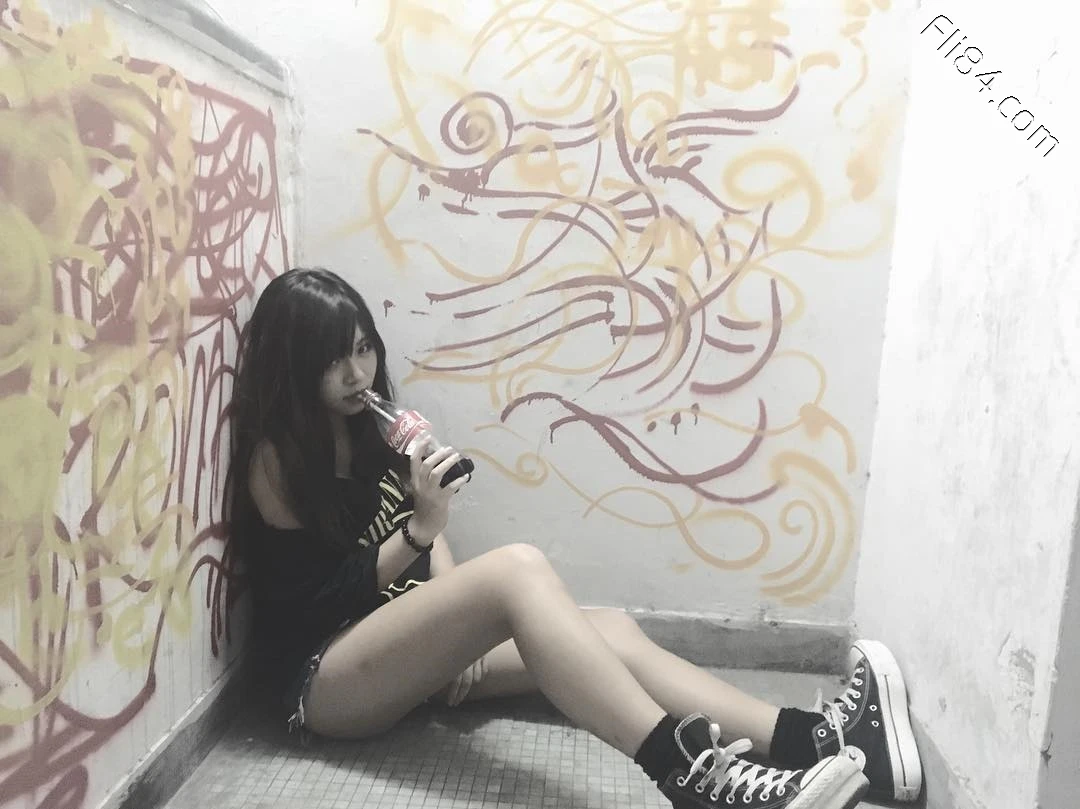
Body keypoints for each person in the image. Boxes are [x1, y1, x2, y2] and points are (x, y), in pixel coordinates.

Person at [226, 267, 923, 809]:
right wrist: (419, 535)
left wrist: (445, 616)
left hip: (391, 646)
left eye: (362, 348)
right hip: (322, 680)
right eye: (334, 360)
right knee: (517, 570)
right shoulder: (275, 462)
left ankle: (818, 741)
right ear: (293, 365)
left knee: (609, 629)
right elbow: (316, 604)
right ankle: (690, 778)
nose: (358, 372)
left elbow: (426, 531)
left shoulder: (369, 428)